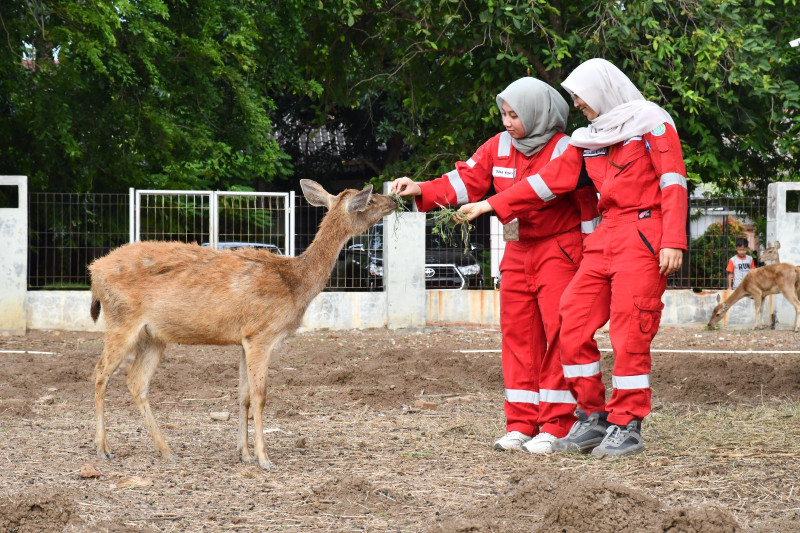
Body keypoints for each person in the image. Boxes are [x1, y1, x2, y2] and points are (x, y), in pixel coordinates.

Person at [457, 59, 688, 458]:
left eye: (582, 100)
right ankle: (593, 416)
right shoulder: (590, 138)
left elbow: (673, 181)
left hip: (645, 233)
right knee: (570, 320)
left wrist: (674, 240)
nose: (578, 107)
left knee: (630, 331)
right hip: (607, 233)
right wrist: (491, 206)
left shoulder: (652, 123)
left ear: (602, 92)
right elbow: (546, 183)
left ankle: (626, 423)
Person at [391, 77, 599, 454]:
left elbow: (543, 186)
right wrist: (421, 187)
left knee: (559, 335)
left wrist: (490, 205)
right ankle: (521, 423)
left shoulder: (568, 149)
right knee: (517, 336)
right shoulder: (498, 146)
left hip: (561, 250)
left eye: (515, 115)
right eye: (503, 113)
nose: (507, 122)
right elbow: (466, 180)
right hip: (518, 251)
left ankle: (556, 425)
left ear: (538, 113)